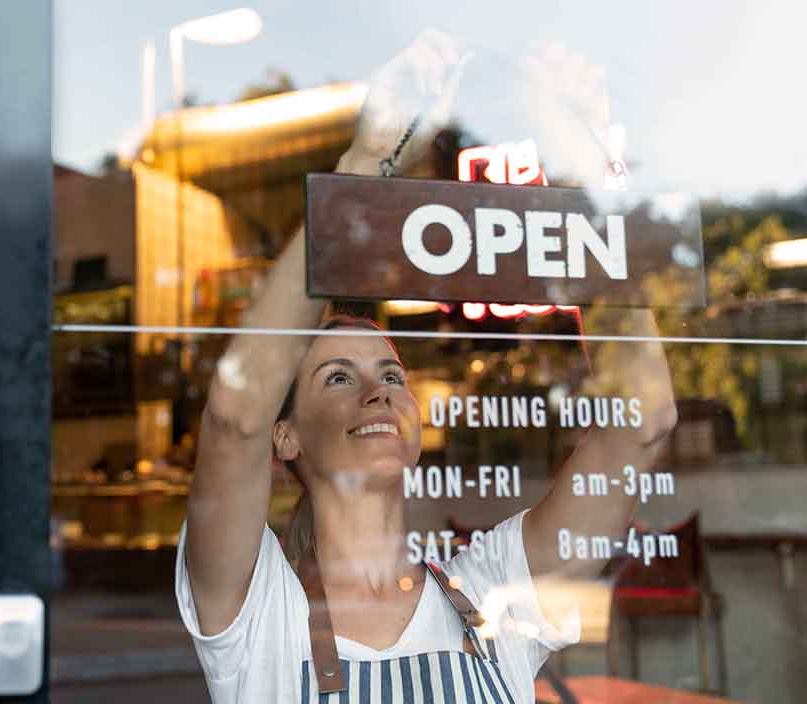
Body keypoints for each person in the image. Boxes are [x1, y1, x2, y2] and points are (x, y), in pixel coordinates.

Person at [175, 31, 677, 703]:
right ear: (285, 434)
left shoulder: (491, 590)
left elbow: (641, 423)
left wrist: (574, 176)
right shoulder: (255, 609)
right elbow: (235, 414)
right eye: (338, 378)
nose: (378, 394)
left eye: (391, 377)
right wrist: (367, 160)